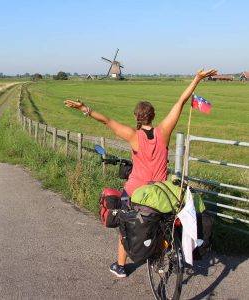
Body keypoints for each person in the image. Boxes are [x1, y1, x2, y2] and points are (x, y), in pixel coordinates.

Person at [64, 68, 217, 278]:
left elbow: (107, 121)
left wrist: (85, 108)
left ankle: (120, 266)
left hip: (137, 191)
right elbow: (181, 102)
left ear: (137, 117)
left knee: (126, 227)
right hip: (161, 193)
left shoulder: (133, 136)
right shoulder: (163, 132)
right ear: (153, 116)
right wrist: (196, 79)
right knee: (163, 224)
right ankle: (162, 261)